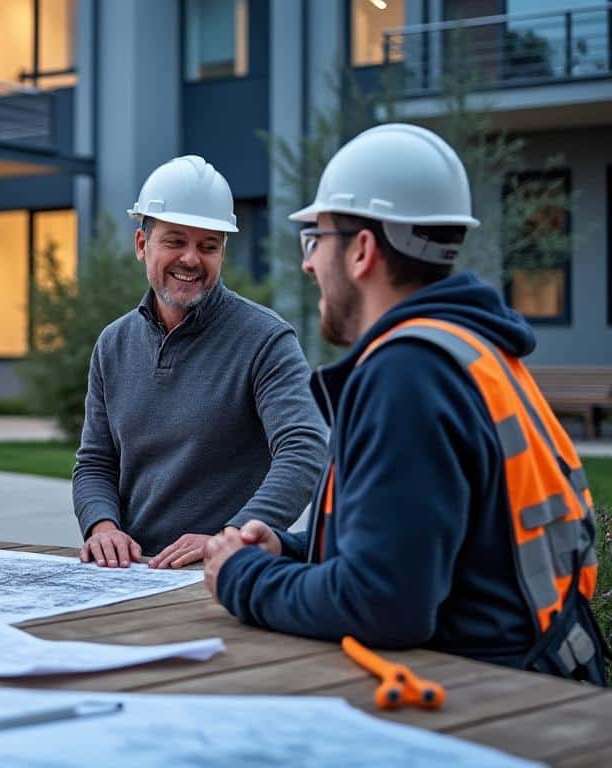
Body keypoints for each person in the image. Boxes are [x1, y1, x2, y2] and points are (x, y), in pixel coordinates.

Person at [205, 123, 608, 683]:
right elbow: (417, 546)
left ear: (362, 251)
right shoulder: (466, 349)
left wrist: (241, 577)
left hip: (494, 701)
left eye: (315, 239)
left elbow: (382, 603)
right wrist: (290, 550)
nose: (308, 263)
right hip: (535, 677)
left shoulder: (406, 375)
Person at [74, 155, 327, 569]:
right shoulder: (113, 344)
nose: (191, 258)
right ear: (142, 245)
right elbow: (96, 462)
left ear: (222, 252)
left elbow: (305, 450)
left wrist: (231, 537)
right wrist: (102, 528)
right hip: (128, 573)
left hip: (220, 575)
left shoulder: (265, 339)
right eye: (175, 241)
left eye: (208, 246)